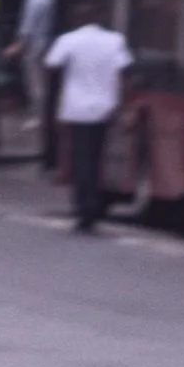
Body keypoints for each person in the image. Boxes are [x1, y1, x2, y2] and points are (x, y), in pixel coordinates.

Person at [43, 13, 130, 231]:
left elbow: (51, 64)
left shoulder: (68, 40)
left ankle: (84, 208)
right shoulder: (115, 40)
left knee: (80, 158)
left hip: (76, 106)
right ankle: (94, 203)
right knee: (97, 156)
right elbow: (123, 70)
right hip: (105, 106)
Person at [15, 0, 62, 174]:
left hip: (35, 44)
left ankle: (38, 115)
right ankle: (41, 114)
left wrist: (19, 43)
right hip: (47, 42)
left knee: (34, 82)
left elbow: (28, 24)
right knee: (43, 83)